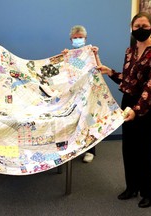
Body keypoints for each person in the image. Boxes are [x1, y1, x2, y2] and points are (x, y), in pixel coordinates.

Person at [98, 11, 151, 208]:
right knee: (129, 149)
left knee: (145, 151)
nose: (140, 30)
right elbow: (128, 80)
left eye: (144, 26)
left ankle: (148, 192)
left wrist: (137, 109)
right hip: (128, 103)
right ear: (131, 28)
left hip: (147, 107)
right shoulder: (129, 51)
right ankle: (131, 187)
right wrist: (110, 72)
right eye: (137, 26)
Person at [62, 25, 101, 163]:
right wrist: (64, 57)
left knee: (89, 119)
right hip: (75, 91)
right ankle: (73, 147)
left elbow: (99, 69)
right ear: (71, 39)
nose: (78, 40)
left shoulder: (90, 52)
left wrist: (95, 54)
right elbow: (65, 73)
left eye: (80, 37)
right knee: (73, 119)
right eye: (75, 38)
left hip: (89, 90)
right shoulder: (69, 54)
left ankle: (90, 150)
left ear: (85, 38)